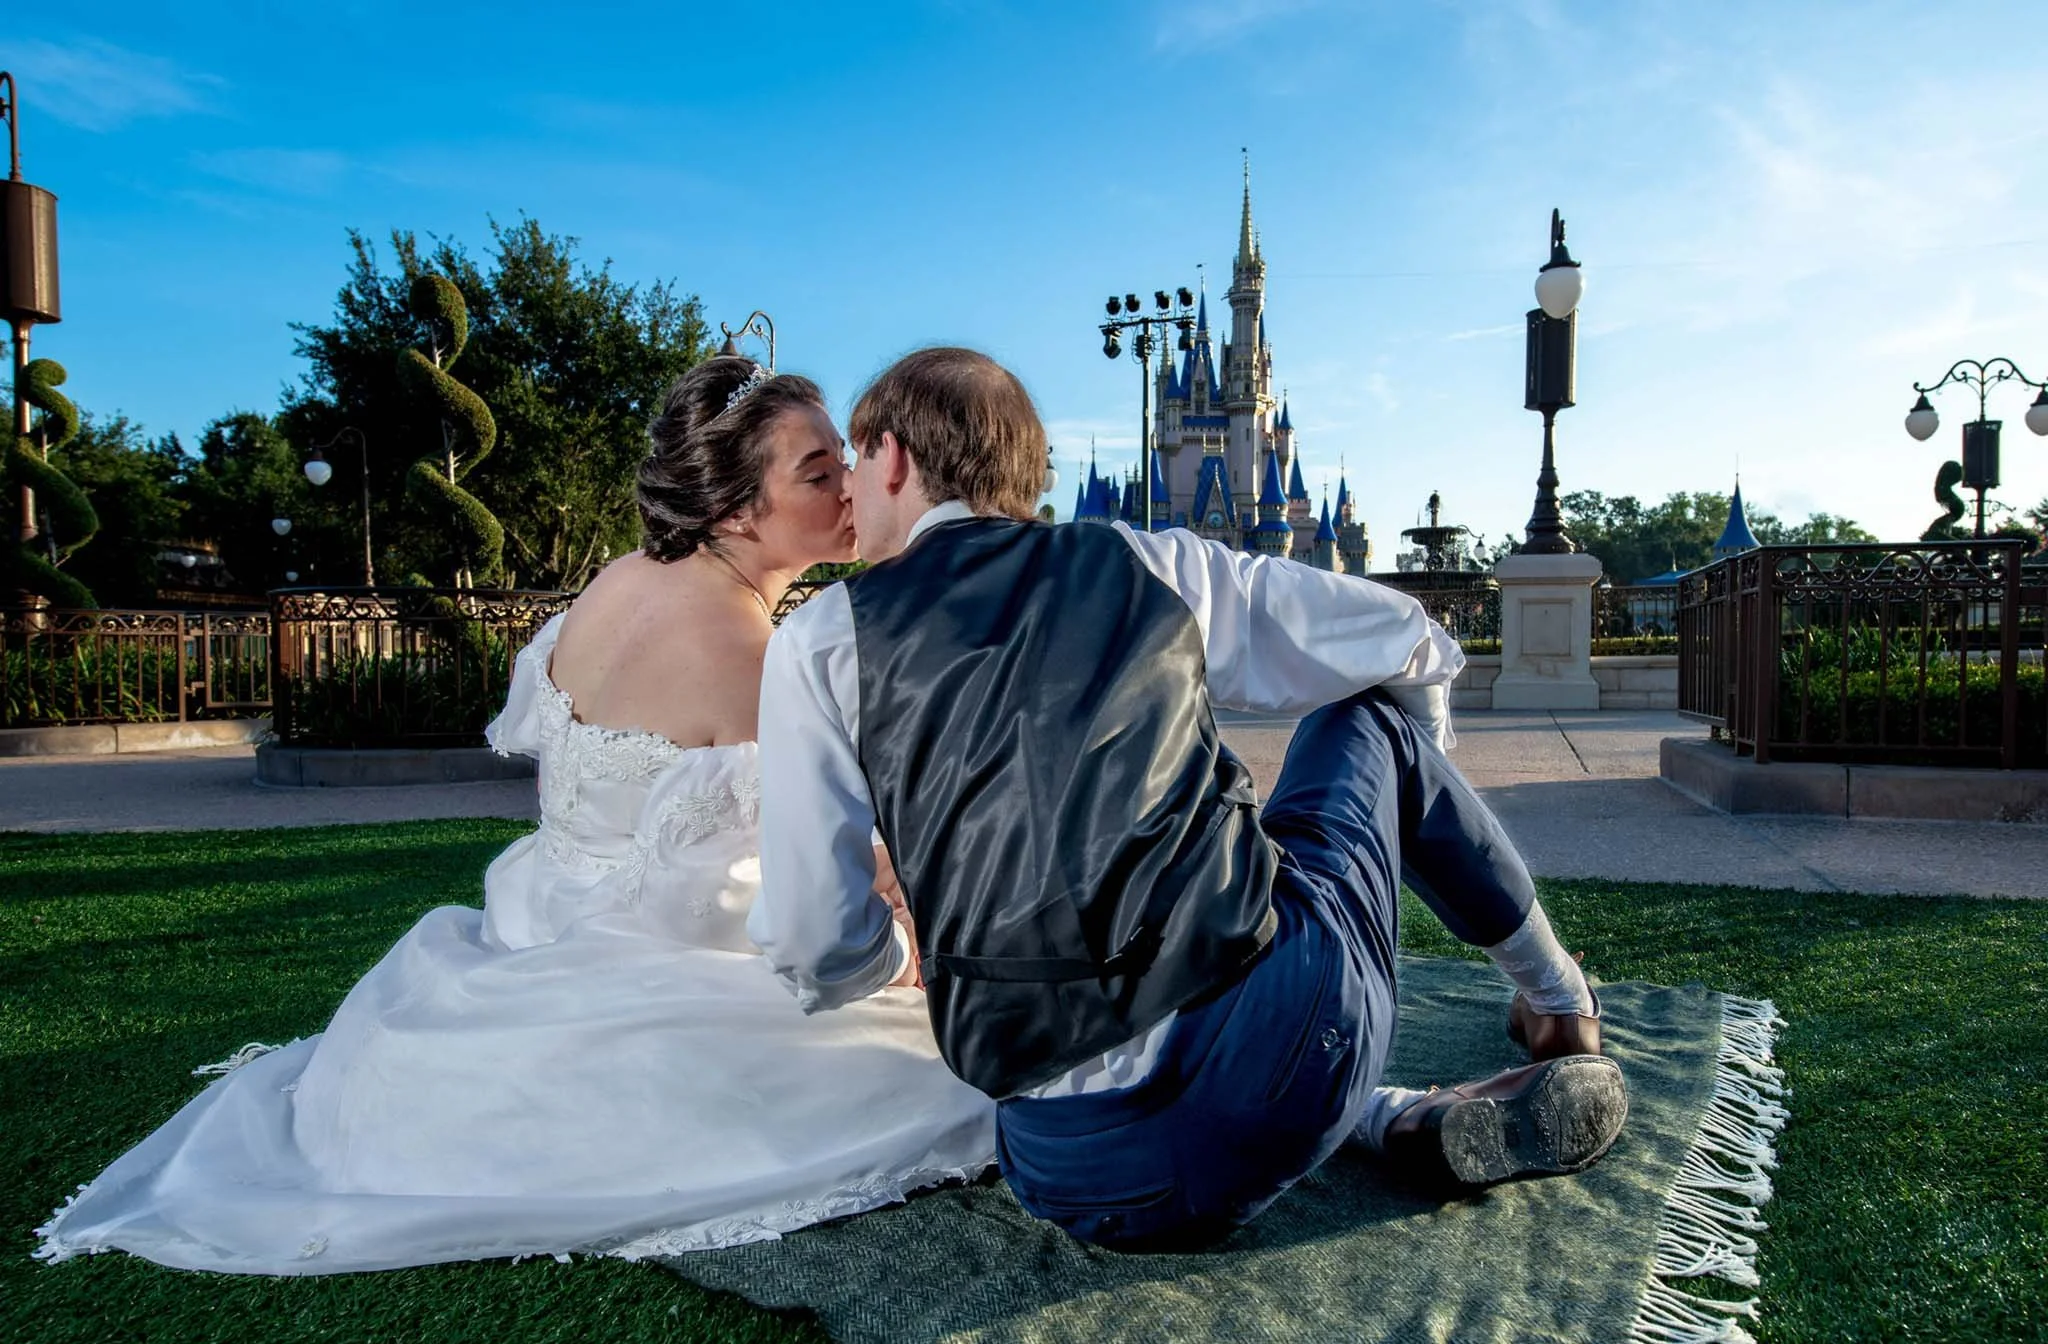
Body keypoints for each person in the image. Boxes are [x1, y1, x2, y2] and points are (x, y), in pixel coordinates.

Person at [34, 355, 995, 1275]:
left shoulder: (617, 584)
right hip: (654, 962)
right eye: (820, 470)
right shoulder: (753, 655)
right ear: (736, 508)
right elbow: (791, 879)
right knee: (942, 1063)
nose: (852, 488)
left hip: (536, 920)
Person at [751, 347, 1624, 1251]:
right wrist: (1414, 784)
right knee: (1362, 719)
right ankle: (1558, 1001)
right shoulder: (1142, 564)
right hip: (1289, 1050)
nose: (846, 491)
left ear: (892, 456)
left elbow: (814, 944)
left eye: (850, 462)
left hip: (1069, 1173)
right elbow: (1405, 636)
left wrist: (909, 947)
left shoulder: (819, 642)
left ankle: (1388, 1118)